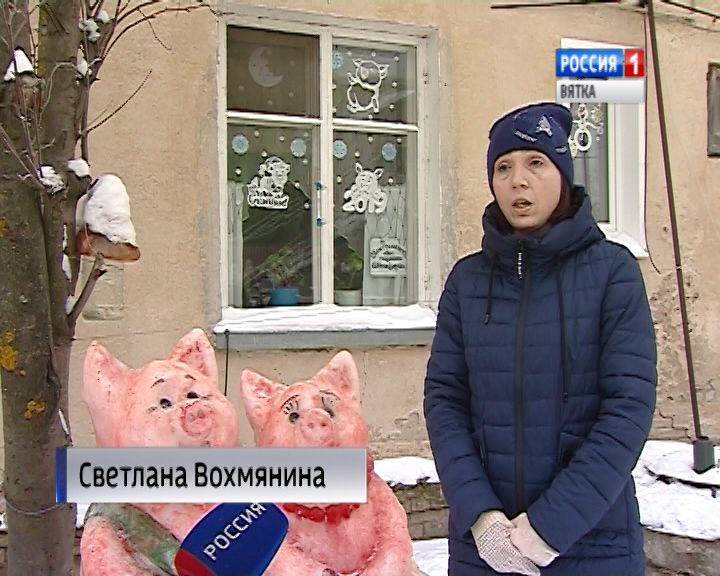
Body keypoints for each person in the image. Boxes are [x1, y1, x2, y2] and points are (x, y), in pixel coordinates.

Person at [423, 101, 657, 576]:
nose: (518, 181)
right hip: (482, 550)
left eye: (536, 163)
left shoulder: (612, 273)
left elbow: (627, 407)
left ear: (563, 175)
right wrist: (481, 517)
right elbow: (445, 401)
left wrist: (547, 529)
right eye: (503, 167)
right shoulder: (467, 282)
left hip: (593, 546)